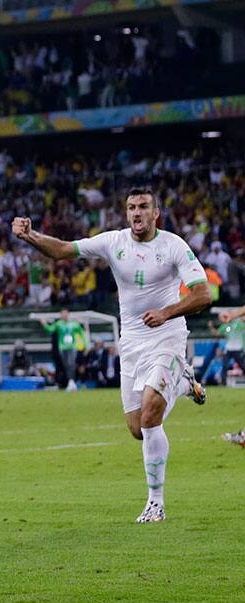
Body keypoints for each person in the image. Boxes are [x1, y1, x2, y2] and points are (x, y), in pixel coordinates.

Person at [12, 187, 210, 523]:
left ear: (156, 213)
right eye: (132, 207)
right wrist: (31, 236)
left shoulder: (174, 246)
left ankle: (155, 502)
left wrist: (167, 312)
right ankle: (182, 383)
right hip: (131, 344)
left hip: (167, 337)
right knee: (136, 428)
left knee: (150, 417)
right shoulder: (113, 242)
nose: (137, 212)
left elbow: (203, 294)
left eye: (144, 207)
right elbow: (62, 251)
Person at [44, 309, 84, 391]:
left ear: (68, 314)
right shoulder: (59, 324)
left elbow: (81, 332)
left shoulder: (73, 324)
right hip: (63, 347)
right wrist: (44, 323)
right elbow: (50, 329)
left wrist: (85, 344)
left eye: (65, 313)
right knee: (66, 365)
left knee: (71, 364)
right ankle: (71, 382)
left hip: (72, 347)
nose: (64, 315)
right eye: (63, 314)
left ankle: (72, 382)